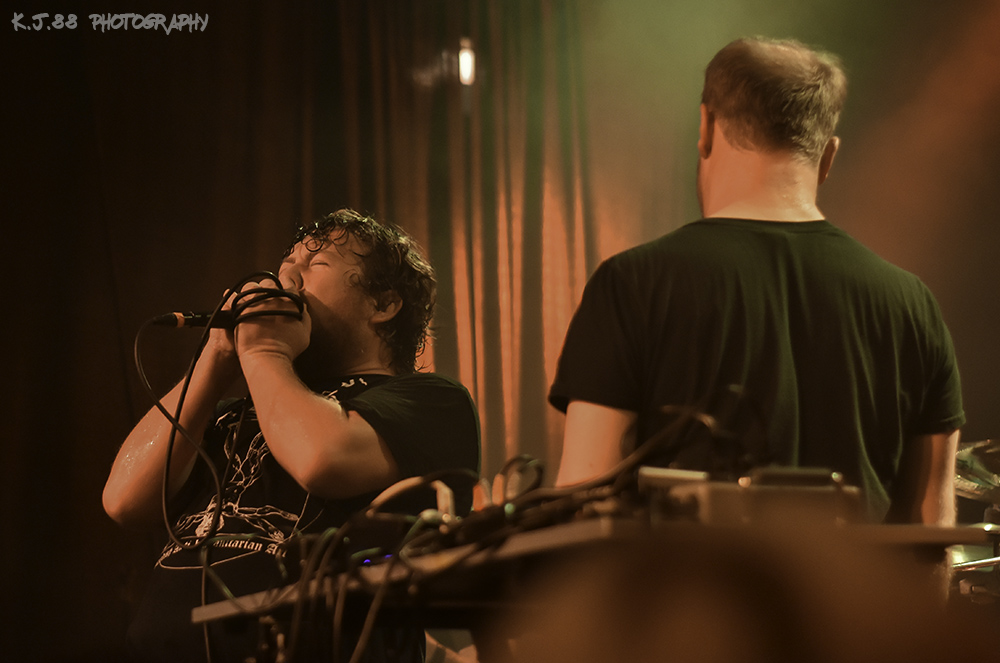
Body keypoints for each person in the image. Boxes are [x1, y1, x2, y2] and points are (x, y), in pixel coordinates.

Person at [549, 37, 962, 524]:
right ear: (828, 156)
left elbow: (584, 503)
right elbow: (932, 534)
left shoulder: (630, 284)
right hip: (859, 601)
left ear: (705, 127)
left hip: (690, 599)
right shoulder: (912, 304)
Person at [103, 209, 481, 662]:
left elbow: (322, 460)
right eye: (288, 263)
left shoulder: (430, 400)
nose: (285, 278)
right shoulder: (231, 414)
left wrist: (262, 348)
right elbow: (124, 499)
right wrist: (217, 356)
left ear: (383, 305)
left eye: (315, 266)